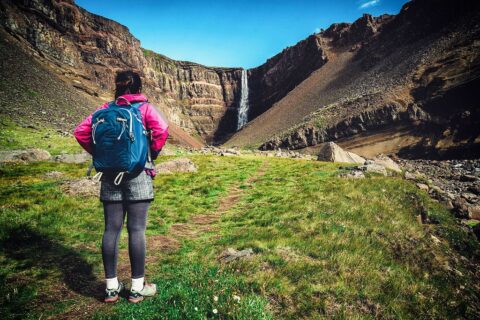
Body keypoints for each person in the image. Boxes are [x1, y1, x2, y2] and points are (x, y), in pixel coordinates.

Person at [74, 70, 169, 303]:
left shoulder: (104, 110)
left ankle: (111, 288)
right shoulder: (145, 108)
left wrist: (103, 155)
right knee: (136, 230)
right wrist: (149, 153)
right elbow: (162, 130)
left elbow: (81, 131)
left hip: (109, 175)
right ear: (138, 87)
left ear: (117, 87)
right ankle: (137, 288)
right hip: (138, 173)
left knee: (111, 230)